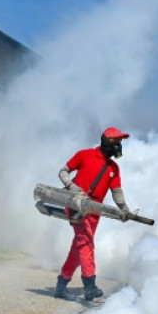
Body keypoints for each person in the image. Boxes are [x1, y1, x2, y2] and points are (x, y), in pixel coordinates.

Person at [53, 127, 132, 301]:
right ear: (106, 141)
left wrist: (124, 208)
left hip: (95, 211)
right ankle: (90, 286)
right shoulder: (84, 155)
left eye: (120, 142)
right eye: (116, 141)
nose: (119, 146)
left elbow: (117, 191)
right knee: (86, 244)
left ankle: (61, 285)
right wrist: (72, 187)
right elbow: (63, 172)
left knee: (78, 248)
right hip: (76, 206)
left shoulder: (113, 168)